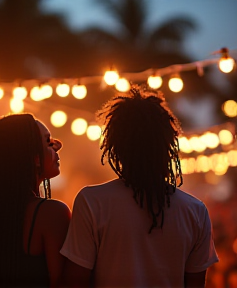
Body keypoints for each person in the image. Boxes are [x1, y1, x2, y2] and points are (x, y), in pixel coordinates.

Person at [60, 84, 219, 288]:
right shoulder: (195, 211)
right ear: (168, 145)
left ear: (115, 147)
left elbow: (76, 282)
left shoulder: (92, 202)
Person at [0, 113, 71, 288]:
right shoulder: (51, 213)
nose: (58, 146)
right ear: (34, 158)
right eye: (48, 142)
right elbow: (64, 283)